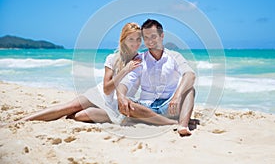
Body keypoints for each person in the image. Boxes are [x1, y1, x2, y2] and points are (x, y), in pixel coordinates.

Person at [23, 22, 176, 125]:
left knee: (80, 115)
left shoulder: (141, 59)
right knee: (69, 107)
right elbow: (107, 89)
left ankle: (58, 119)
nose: (135, 43)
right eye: (131, 39)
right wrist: (125, 70)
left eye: (138, 39)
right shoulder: (112, 58)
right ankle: (21, 121)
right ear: (123, 40)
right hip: (100, 94)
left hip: (117, 105)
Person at [117, 19, 196, 136]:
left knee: (190, 90)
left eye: (153, 36)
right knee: (124, 103)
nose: (150, 41)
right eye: (146, 38)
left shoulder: (174, 56)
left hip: (169, 107)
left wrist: (176, 96)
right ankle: (170, 123)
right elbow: (126, 81)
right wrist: (121, 96)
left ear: (161, 36)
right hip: (146, 107)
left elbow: (190, 75)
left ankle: (182, 126)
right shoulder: (140, 59)